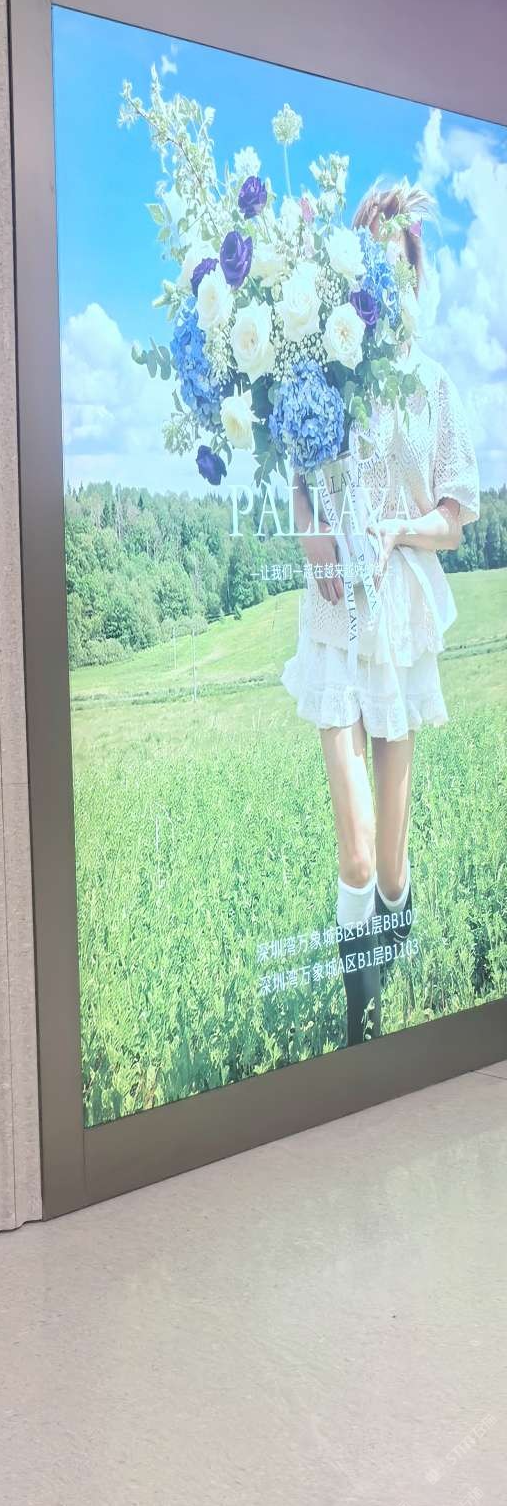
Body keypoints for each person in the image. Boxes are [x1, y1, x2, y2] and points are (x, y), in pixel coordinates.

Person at [281, 187, 481, 1045]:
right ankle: (358, 1033)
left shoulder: (433, 385)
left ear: (415, 276)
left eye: (400, 266)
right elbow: (297, 479)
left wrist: (400, 530)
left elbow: (455, 517)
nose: (387, 280)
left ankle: (391, 989)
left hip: (400, 624)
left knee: (393, 868)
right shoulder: (326, 374)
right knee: (357, 851)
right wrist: (314, 543)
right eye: (375, 263)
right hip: (335, 621)